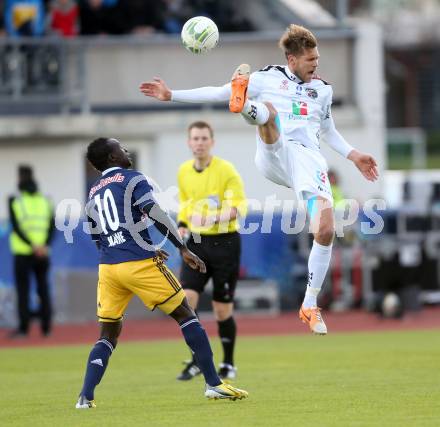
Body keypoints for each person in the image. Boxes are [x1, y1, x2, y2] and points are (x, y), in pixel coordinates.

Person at [140, 24, 379, 335]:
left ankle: (309, 304)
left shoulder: (323, 90)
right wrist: (172, 95)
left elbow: (329, 131)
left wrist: (354, 155)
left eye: (317, 59)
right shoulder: (267, 78)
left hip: (306, 161)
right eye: (311, 60)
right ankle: (247, 106)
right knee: (268, 112)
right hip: (273, 153)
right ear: (292, 59)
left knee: (325, 228)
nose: (316, 64)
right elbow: (217, 91)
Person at [76, 137, 248, 409]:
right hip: (138, 264)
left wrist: (130, 249)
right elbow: (154, 212)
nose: (126, 149)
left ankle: (85, 397)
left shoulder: (94, 190)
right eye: (120, 147)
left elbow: (97, 235)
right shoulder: (132, 179)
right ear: (111, 158)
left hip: (108, 268)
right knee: (185, 314)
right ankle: (214, 384)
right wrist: (183, 248)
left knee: (107, 333)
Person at [176, 121, 247, 381]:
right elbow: (185, 204)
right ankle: (198, 358)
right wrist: (183, 225)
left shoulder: (226, 171)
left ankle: (228, 363)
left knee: (221, 309)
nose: (199, 143)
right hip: (196, 244)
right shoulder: (183, 171)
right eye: (195, 138)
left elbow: (238, 208)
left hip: (225, 244)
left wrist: (212, 219)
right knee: (186, 301)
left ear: (212, 142)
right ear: (189, 142)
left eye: (204, 138)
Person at [8, 165, 55, 337]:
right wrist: (43, 246)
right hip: (43, 253)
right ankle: (46, 328)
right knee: (43, 289)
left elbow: (16, 227)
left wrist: (32, 245)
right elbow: (51, 227)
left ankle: (23, 328)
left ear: (20, 179)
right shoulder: (45, 200)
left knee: (23, 291)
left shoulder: (15, 200)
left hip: (23, 252)